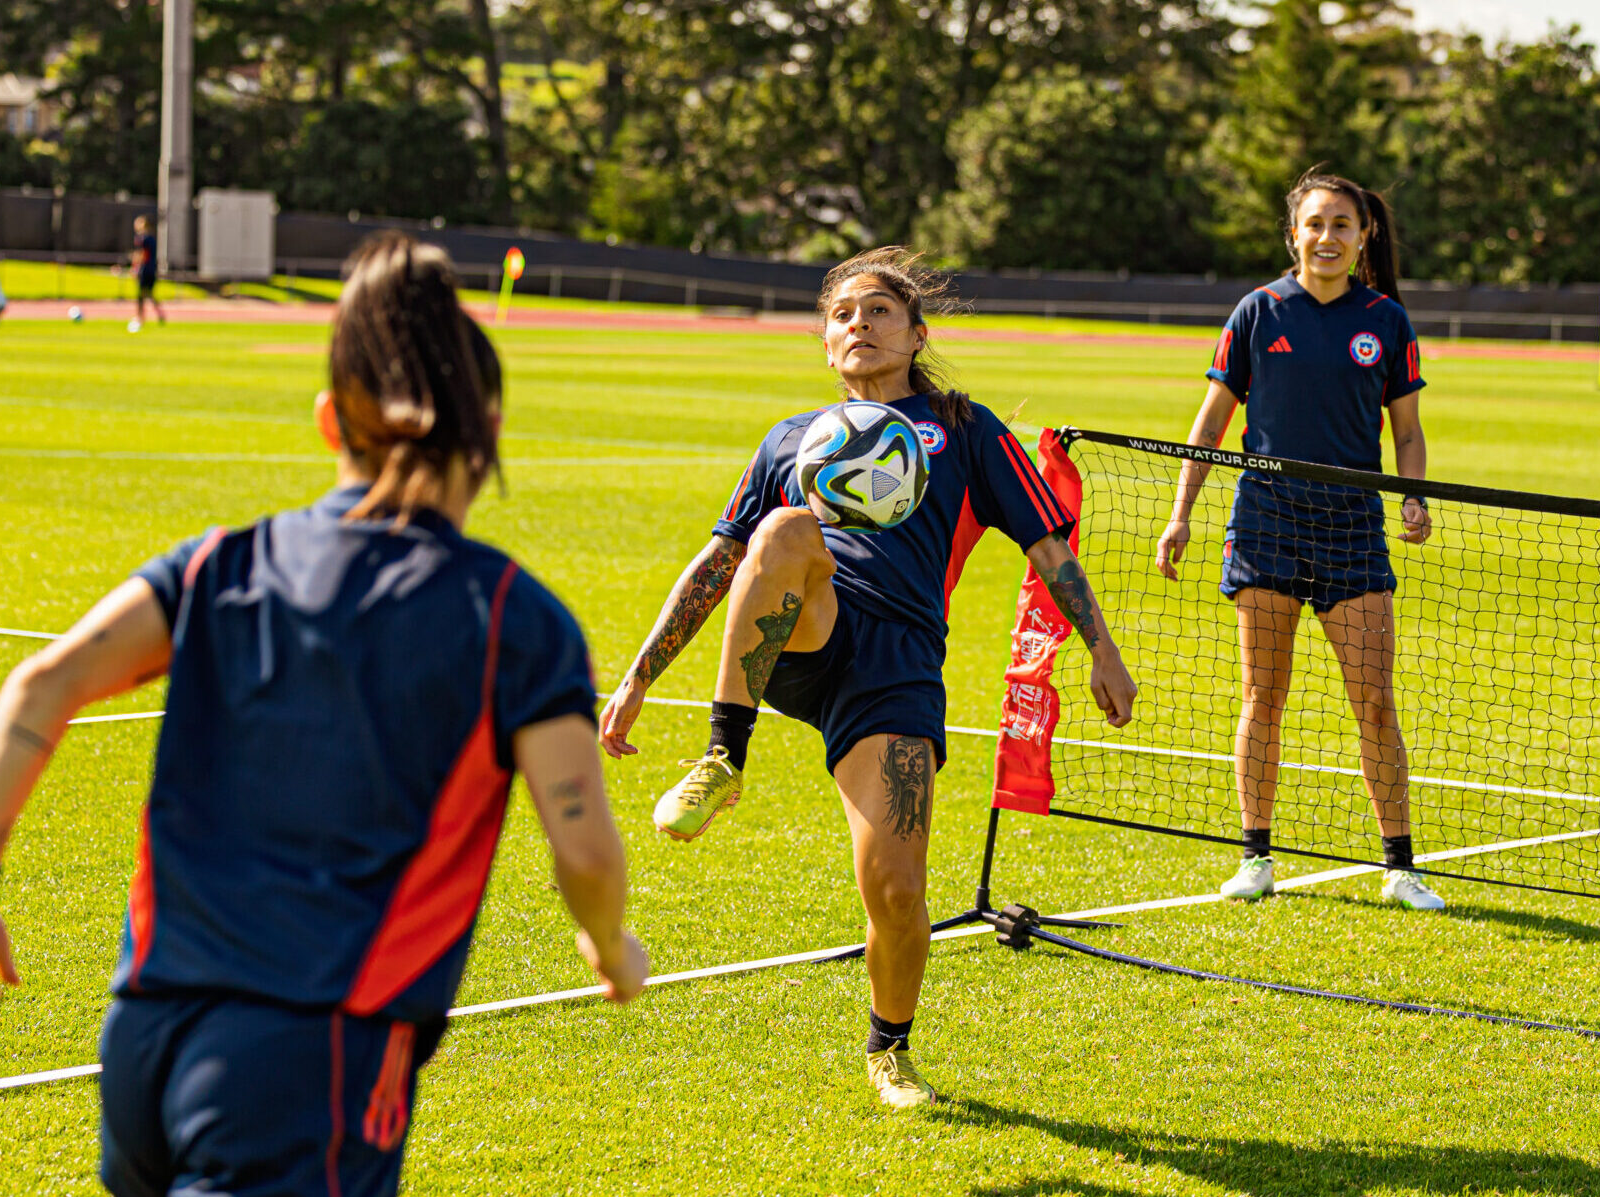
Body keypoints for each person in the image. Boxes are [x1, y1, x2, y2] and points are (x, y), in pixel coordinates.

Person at [0, 232, 649, 1197]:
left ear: (328, 421)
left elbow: (39, 685)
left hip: (150, 1048)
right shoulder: (512, 613)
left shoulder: (219, 564)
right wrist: (610, 944)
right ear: (489, 434)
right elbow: (583, 844)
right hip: (304, 1071)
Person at [598, 247, 1137, 1111]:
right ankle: (722, 756)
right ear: (825, 341)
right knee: (781, 532)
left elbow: (1046, 546)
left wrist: (1102, 650)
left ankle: (890, 1048)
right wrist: (635, 677)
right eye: (843, 314)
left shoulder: (963, 426)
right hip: (807, 633)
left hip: (898, 669)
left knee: (896, 889)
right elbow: (718, 563)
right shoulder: (791, 439)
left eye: (879, 311)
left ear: (916, 333)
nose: (860, 325)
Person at [1155, 167, 1441, 910]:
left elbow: (1406, 433)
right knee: (1263, 695)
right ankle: (1256, 856)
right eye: (1314, 224)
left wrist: (1412, 495)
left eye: (1341, 224)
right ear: (1293, 235)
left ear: (1363, 235)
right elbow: (1212, 423)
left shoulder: (1386, 321)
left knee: (1374, 700)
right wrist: (1181, 513)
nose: (1327, 237)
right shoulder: (1256, 312)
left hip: (1352, 529)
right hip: (1266, 525)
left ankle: (1401, 866)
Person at [129, 215, 165, 329]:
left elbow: (141, 255)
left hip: (144, 269)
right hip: (152, 269)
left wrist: (135, 268)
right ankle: (160, 314)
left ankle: (140, 317)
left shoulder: (141, 239)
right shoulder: (152, 239)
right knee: (149, 294)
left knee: (140, 295)